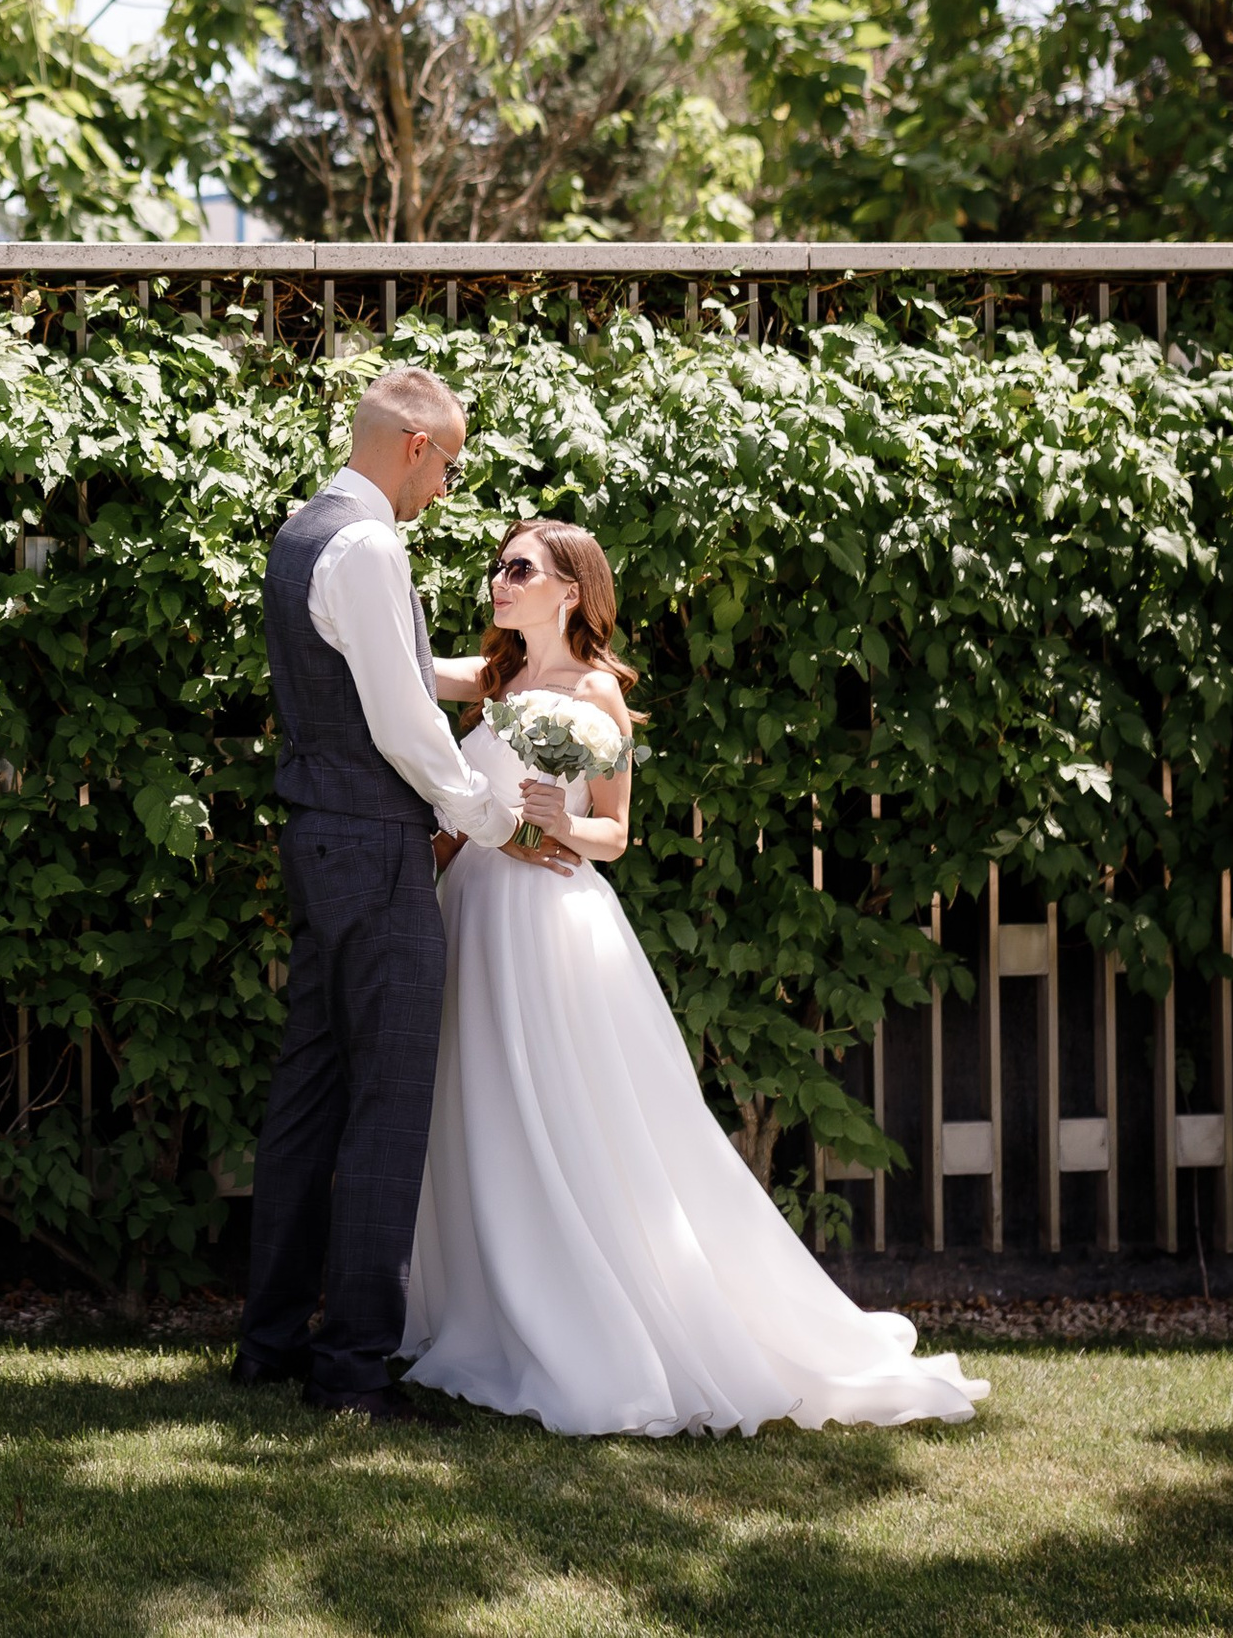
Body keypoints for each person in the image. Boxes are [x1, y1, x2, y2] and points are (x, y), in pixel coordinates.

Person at [404, 516, 988, 1435]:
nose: (498, 582)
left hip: (545, 926)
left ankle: (599, 1324)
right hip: (471, 908)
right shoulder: (499, 677)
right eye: (497, 567)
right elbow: (398, 671)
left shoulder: (594, 690)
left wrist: (557, 822)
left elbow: (615, 835)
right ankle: (493, 1309)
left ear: (570, 589)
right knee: (481, 1106)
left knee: (567, 1116)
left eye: (518, 568)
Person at [232, 365, 554, 1422]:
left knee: (310, 1093)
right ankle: (354, 1371)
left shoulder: (303, 530)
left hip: (322, 840)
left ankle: (271, 1344)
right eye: (451, 464)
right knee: (386, 1103)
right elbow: (402, 727)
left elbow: (384, 673)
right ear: (414, 442)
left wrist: (496, 673)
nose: (448, 489)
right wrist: (489, 815)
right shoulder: (370, 544)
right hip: (373, 847)